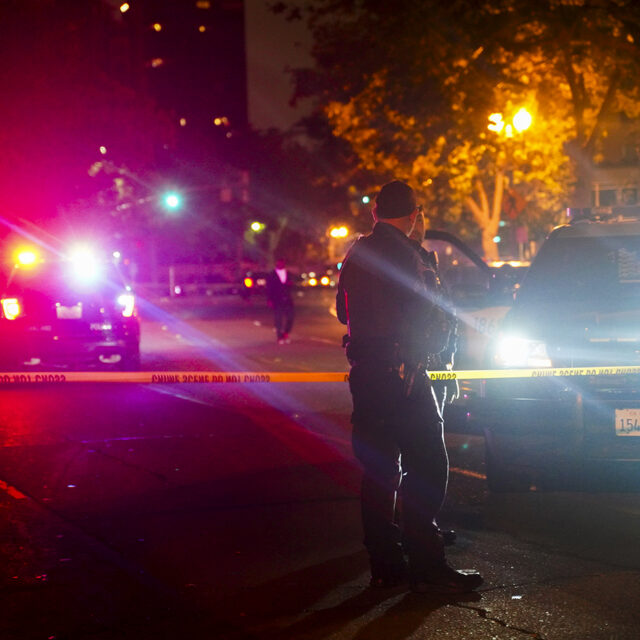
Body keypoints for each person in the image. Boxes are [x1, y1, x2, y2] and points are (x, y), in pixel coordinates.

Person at [336, 180, 483, 594]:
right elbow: (431, 316)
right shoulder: (411, 257)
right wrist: (437, 361)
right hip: (408, 376)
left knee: (379, 473)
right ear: (416, 215)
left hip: (367, 374)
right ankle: (427, 562)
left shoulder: (356, 253)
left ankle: (385, 566)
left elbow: (340, 312)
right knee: (428, 468)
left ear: (375, 212)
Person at [266, 257, 295, 344]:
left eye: (282, 263)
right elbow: (269, 288)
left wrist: (290, 284)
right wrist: (269, 299)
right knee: (278, 319)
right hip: (277, 299)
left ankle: (286, 332)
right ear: (276, 263)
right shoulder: (272, 275)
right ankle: (279, 336)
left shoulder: (288, 274)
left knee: (290, 317)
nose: (280, 264)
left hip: (287, 299)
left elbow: (292, 284)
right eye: (279, 263)